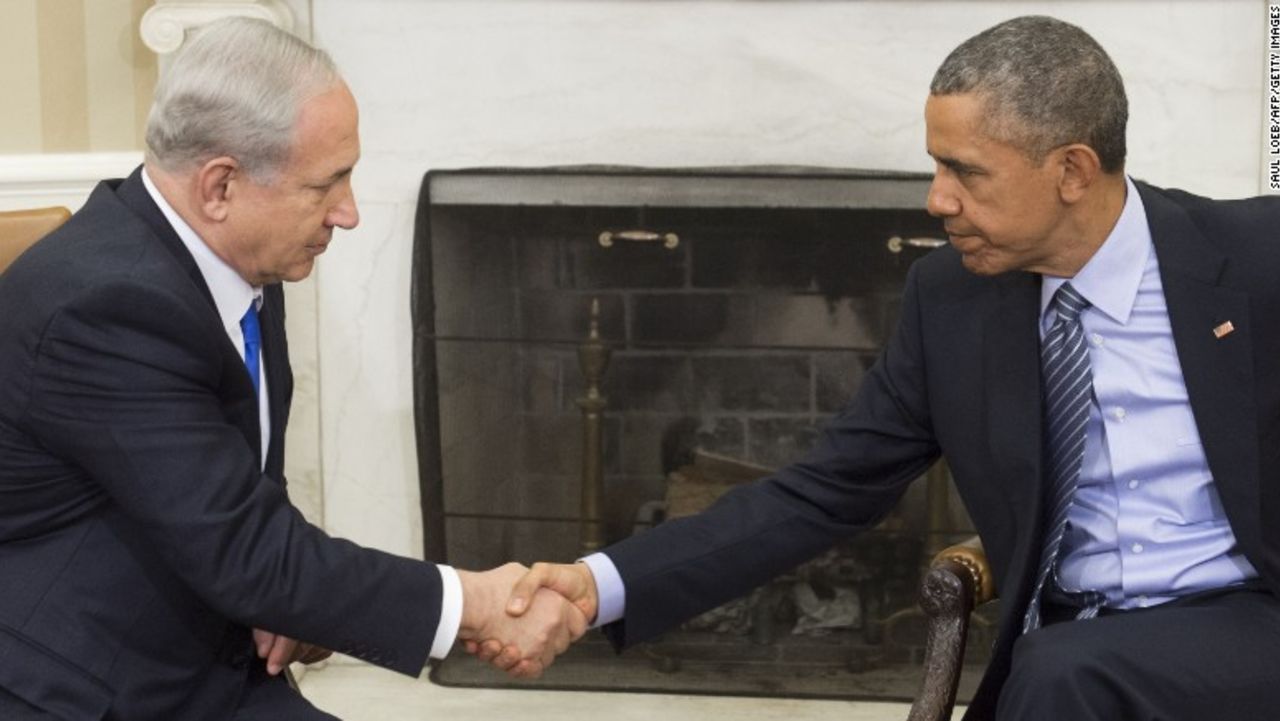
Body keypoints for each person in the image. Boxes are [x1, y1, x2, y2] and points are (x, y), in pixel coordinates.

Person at [487, 15, 1280, 721]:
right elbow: (822, 491)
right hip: (1073, 639)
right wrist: (600, 584)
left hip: (1247, 622)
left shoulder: (1255, 259)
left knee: (1055, 675)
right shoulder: (952, 300)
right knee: (1058, 669)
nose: (936, 200)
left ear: (1071, 170)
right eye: (934, 166)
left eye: (965, 171)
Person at [0, 17, 584, 721]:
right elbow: (246, 549)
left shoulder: (238, 258)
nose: (349, 213)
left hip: (205, 643)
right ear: (221, 187)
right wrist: (477, 602)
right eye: (326, 184)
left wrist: (285, 597)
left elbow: (238, 502)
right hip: (85, 683)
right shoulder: (108, 308)